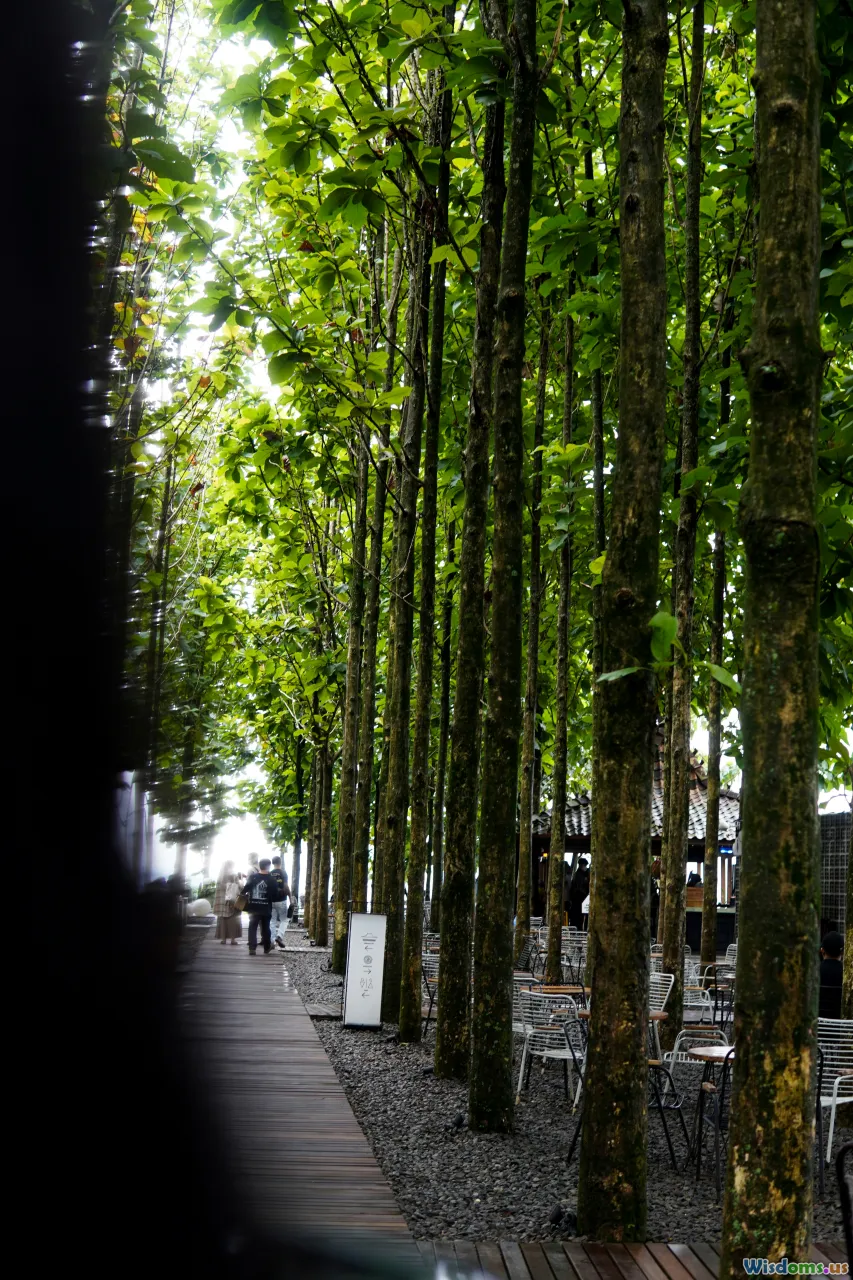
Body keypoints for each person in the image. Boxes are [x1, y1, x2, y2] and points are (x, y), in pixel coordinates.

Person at [243, 858, 280, 956]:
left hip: (253, 907)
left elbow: (245, 889)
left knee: (252, 927)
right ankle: (266, 948)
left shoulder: (252, 877)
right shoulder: (272, 879)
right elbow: (275, 895)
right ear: (269, 866)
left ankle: (252, 948)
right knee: (266, 927)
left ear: (260, 866)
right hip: (266, 908)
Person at [213, 860, 242, 946]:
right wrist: (240, 879)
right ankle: (233, 940)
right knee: (232, 920)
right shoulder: (233, 875)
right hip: (231, 901)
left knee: (222, 921)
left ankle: (223, 939)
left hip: (222, 903)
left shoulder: (220, 877)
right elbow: (239, 887)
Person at [819, 930, 844, 1019]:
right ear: (842, 952)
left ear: (822, 951)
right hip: (841, 1024)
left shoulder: (813, 972)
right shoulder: (847, 975)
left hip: (817, 1023)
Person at [269, 855, 292, 950]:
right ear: (280, 862)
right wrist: (290, 899)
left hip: (271, 901)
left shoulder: (269, 874)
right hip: (281, 900)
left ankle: (272, 941)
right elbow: (286, 886)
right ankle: (279, 936)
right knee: (285, 920)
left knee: (272, 921)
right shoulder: (283, 873)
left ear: (272, 863)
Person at [568, 858, 590, 930]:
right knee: (578, 917)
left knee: (577, 917)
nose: (585, 867)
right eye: (585, 866)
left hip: (577, 899)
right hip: (580, 898)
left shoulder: (578, 874)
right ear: (582, 865)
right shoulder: (580, 875)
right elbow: (581, 887)